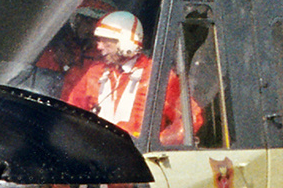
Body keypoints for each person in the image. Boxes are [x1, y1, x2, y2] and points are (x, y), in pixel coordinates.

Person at [62, 10, 201, 144]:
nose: (98, 47)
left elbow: (192, 118)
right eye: (98, 41)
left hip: (138, 158)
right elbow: (70, 114)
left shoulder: (156, 76)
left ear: (126, 42)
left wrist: (161, 142)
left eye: (106, 41)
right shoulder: (93, 73)